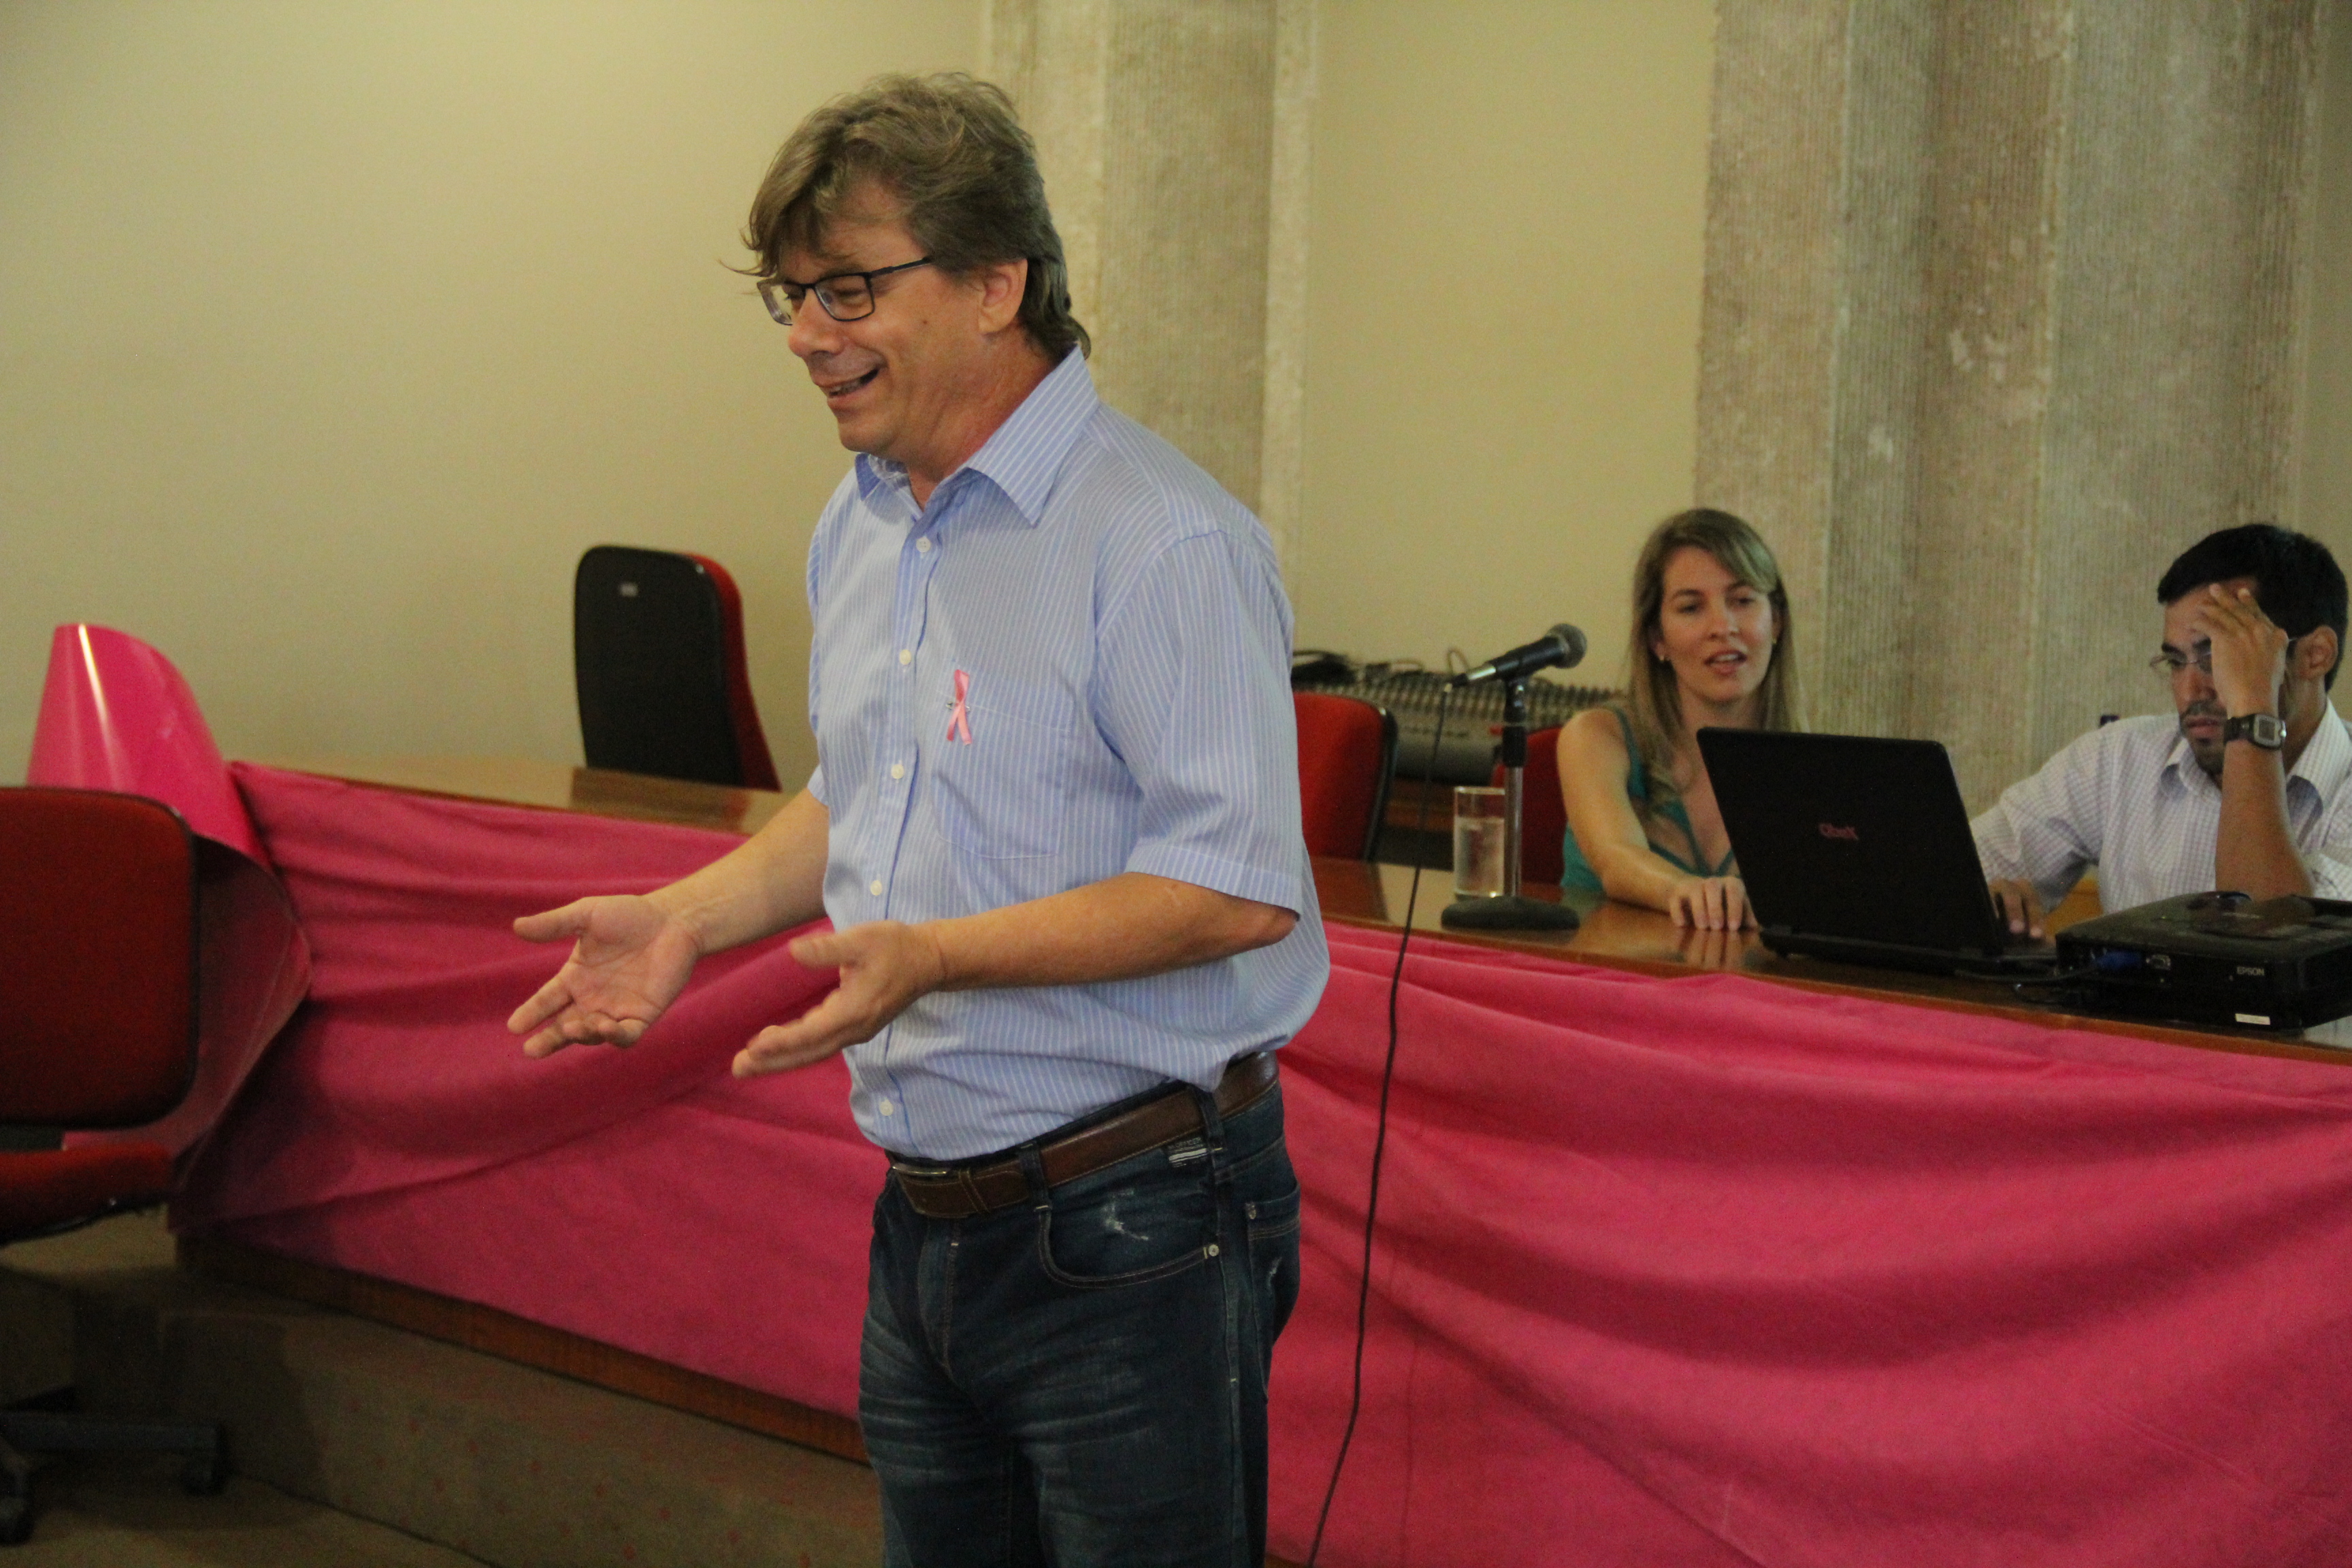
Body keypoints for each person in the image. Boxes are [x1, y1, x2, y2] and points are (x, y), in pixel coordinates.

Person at [506, 74, 1327, 1568]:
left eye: (849, 289)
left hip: (1137, 1216)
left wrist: (935, 955)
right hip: (931, 1217)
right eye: (793, 297)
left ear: (996, 283)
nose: (808, 336)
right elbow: (863, 788)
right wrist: (687, 916)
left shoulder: (1164, 539)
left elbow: (1233, 887)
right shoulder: (869, 515)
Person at [1975, 523, 2352, 937]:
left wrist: (2250, 714)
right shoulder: (2120, 757)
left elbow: (2268, 939)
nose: (2190, 692)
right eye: (2175, 662)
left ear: (2316, 655)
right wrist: (1990, 905)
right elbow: (1957, 876)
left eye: (2219, 658)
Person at [1555, 508, 1800, 930]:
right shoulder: (1594, 736)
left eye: (1742, 601)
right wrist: (1687, 893)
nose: (1722, 627)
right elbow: (1616, 860)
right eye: (1691, 608)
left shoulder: (1815, 766)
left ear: (1775, 620)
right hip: (1608, 968)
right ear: (1658, 638)